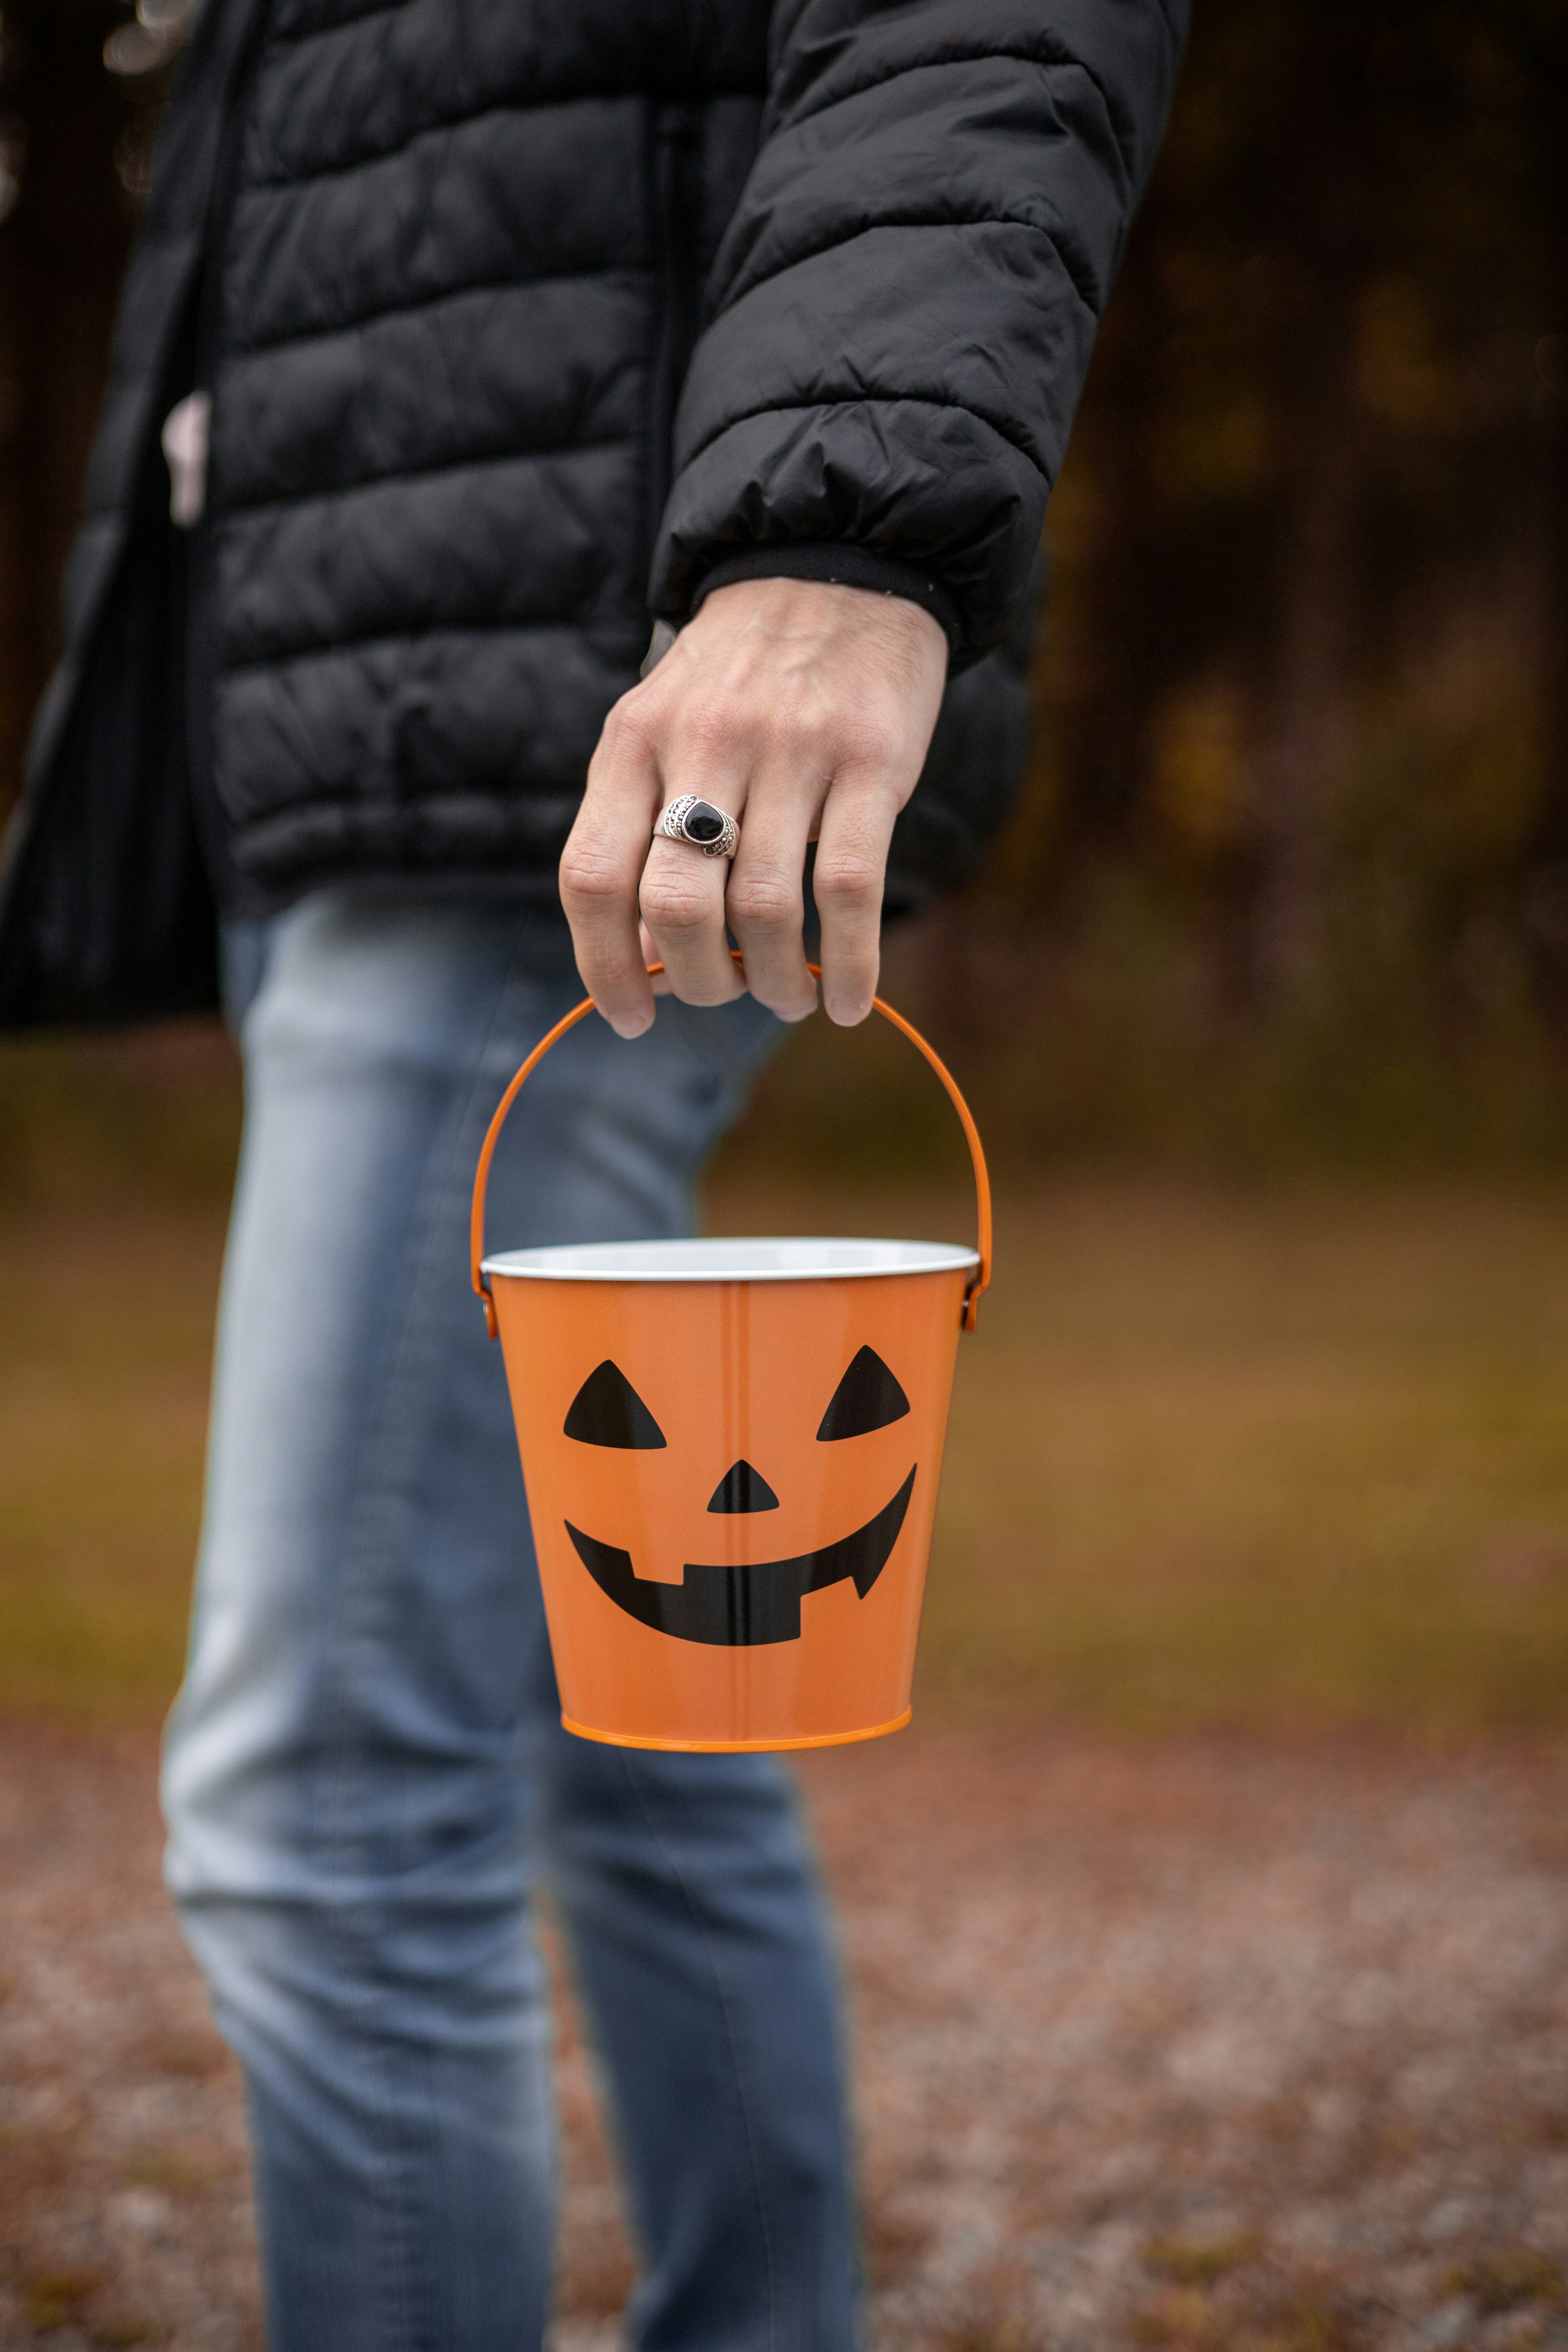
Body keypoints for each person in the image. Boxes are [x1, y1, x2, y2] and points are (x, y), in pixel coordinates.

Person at [0, 4, 1186, 2345]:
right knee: (647, 1681)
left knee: (323, 1793)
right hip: (400, 714)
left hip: (598, 753)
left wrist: (831, 536)